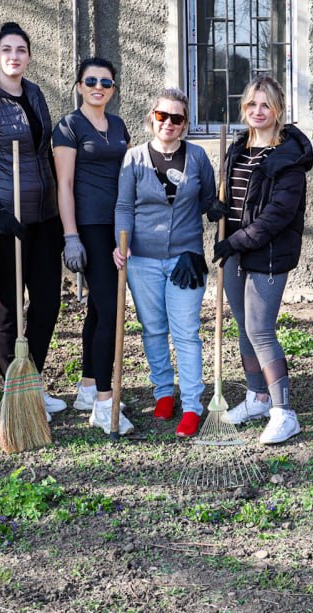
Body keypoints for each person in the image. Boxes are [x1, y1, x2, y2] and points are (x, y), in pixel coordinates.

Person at [0, 21, 66, 420]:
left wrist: (60, 215)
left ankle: (31, 381)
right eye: (7, 49)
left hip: (43, 217)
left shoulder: (36, 94)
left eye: (21, 49)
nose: (14, 56)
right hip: (5, 220)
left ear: (29, 56)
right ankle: (15, 392)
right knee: (9, 307)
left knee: (48, 301)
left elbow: (45, 153)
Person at [212, 76, 313, 445]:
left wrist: (236, 240)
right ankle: (257, 398)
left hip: (268, 253)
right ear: (244, 108)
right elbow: (233, 197)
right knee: (244, 327)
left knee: (260, 329)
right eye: (252, 104)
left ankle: (284, 412)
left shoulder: (288, 158)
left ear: (279, 110)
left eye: (266, 105)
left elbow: (278, 215)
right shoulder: (237, 148)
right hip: (235, 250)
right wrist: (216, 207)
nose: (258, 111)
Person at [114, 88, 218, 437]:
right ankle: (163, 392)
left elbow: (208, 200)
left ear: (185, 124)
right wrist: (121, 243)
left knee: (186, 332)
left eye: (177, 118)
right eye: (162, 116)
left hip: (186, 260)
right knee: (153, 328)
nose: (168, 123)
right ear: (152, 117)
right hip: (142, 259)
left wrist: (215, 209)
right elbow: (124, 206)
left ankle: (191, 405)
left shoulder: (197, 157)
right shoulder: (134, 158)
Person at [52, 58, 133, 433]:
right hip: (90, 226)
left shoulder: (118, 125)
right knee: (111, 309)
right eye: (91, 81)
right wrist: (71, 236)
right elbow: (64, 185)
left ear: (113, 89)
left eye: (106, 82)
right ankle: (104, 401)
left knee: (100, 311)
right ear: (79, 86)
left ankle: (87, 386)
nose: (98, 87)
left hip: (119, 225)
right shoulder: (69, 126)